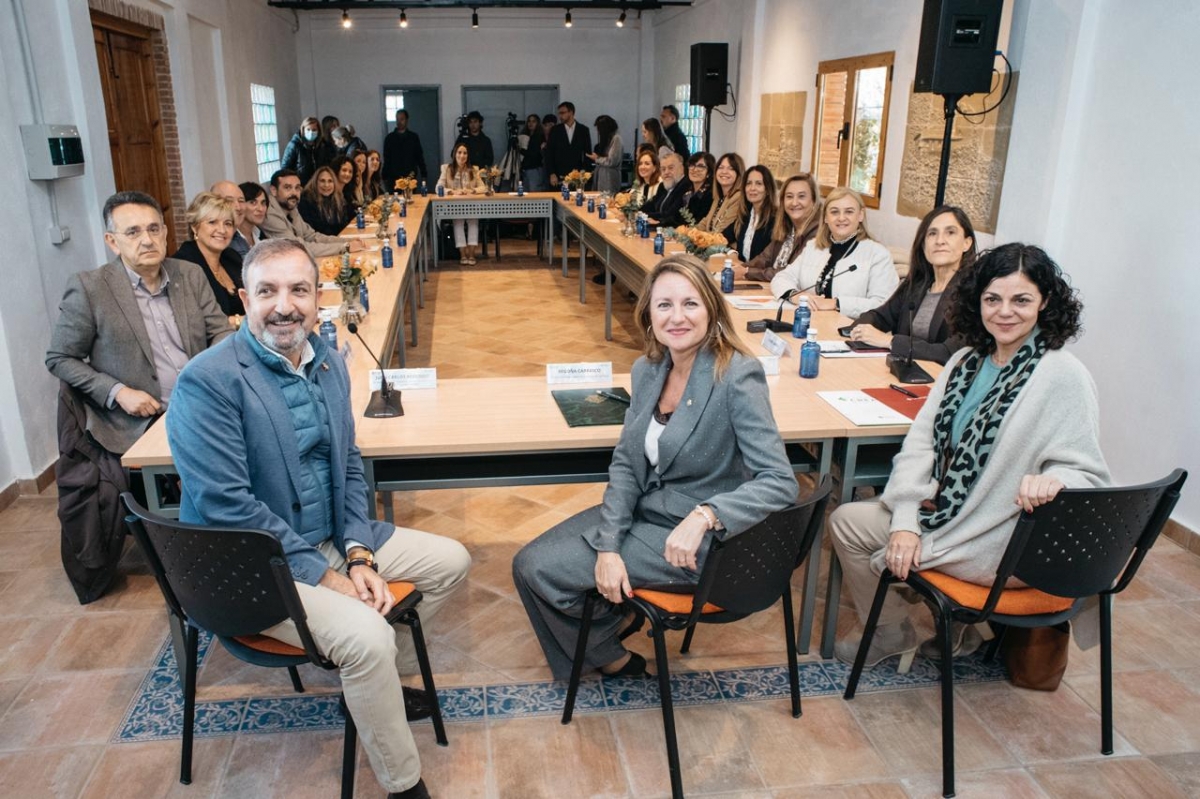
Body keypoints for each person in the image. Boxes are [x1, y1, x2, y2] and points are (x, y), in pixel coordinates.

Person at [167, 238, 470, 799]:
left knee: (451, 561)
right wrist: (330, 577)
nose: (285, 305)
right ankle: (404, 784)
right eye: (268, 291)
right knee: (368, 635)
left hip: (328, 536)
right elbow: (227, 507)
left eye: (299, 290)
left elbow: (349, 465)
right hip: (252, 563)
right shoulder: (207, 381)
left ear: (318, 297)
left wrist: (357, 552)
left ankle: (374, 688)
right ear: (243, 299)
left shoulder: (327, 360)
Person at [512, 254, 799, 679]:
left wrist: (707, 515)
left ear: (711, 310)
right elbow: (628, 463)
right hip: (653, 512)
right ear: (648, 312)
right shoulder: (647, 369)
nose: (677, 317)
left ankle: (609, 652)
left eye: (690, 304)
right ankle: (614, 626)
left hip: (700, 543)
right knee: (527, 562)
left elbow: (780, 482)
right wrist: (609, 546)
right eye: (664, 305)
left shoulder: (737, 375)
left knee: (541, 570)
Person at [829, 243, 1110, 668]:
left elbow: (1087, 473)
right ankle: (899, 630)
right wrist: (905, 520)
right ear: (977, 300)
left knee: (885, 552)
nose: (1005, 312)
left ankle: (952, 623)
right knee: (847, 521)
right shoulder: (964, 361)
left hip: (1001, 539)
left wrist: (1056, 480)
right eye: (992, 299)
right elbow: (920, 444)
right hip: (950, 516)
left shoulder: (1062, 374)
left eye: (1021, 300)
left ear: (1045, 303)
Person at [45, 191, 231, 602]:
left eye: (152, 229)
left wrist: (214, 377)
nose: (146, 240)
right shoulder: (90, 288)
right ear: (112, 241)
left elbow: (221, 331)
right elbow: (59, 357)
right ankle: (204, 568)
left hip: (201, 402)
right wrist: (117, 392)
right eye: (132, 232)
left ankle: (248, 544)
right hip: (138, 417)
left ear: (165, 232)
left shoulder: (188, 275)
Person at [850, 206, 978, 365]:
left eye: (950, 232)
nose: (939, 241)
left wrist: (889, 341)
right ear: (924, 245)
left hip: (941, 381)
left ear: (967, 243)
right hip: (901, 373)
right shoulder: (917, 284)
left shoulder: (973, 293)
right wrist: (859, 329)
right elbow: (880, 316)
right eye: (932, 234)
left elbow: (950, 353)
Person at [769, 187, 898, 319]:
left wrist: (836, 303)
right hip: (810, 323)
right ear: (825, 217)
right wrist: (796, 296)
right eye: (834, 212)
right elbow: (781, 278)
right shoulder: (813, 247)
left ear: (860, 215)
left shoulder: (878, 254)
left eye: (849, 212)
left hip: (851, 331)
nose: (841, 218)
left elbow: (884, 305)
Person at [173, 192, 245, 323]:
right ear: (195, 227)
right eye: (212, 222)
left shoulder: (232, 258)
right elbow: (193, 321)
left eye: (228, 224)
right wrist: (240, 322)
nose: (222, 230)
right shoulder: (182, 265)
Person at [735, 173, 821, 283]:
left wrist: (747, 272)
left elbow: (790, 272)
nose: (794, 203)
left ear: (813, 201)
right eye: (789, 196)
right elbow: (763, 259)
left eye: (801, 196)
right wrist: (739, 268)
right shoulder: (786, 227)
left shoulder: (817, 233)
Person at [261, 168, 362, 258]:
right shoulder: (269, 213)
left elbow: (312, 236)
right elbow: (298, 248)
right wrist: (345, 247)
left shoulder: (291, 207)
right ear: (274, 191)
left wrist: (347, 241)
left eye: (297, 188)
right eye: (287, 188)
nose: (294, 193)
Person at [437, 142, 487, 265]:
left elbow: (484, 188)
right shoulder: (447, 169)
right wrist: (452, 192)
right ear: (455, 154)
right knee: (458, 222)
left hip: (471, 205)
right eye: (459, 152)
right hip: (454, 206)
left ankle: (471, 255)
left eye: (465, 153)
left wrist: (472, 190)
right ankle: (463, 255)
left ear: (468, 155)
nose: (462, 155)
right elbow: (438, 187)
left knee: (473, 221)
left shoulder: (474, 169)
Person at [722, 164, 777, 263]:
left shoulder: (776, 219)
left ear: (768, 189)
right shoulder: (745, 216)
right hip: (742, 274)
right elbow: (721, 238)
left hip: (761, 276)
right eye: (748, 183)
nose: (752, 188)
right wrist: (733, 253)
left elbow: (769, 260)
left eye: (759, 184)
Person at [546, 102, 592, 187]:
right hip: (559, 173)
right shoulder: (555, 130)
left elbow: (587, 153)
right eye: (559, 113)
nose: (560, 116)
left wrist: (584, 173)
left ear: (571, 112)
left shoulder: (583, 130)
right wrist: (551, 173)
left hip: (577, 173)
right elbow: (549, 153)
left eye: (562, 113)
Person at [298, 166, 353, 237]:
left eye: (330, 181)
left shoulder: (337, 199)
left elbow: (343, 224)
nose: (326, 185)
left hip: (337, 240)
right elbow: (314, 232)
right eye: (322, 181)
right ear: (315, 182)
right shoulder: (306, 202)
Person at [698, 153, 745, 234]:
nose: (724, 172)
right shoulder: (719, 197)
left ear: (738, 173)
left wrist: (699, 237)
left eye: (731, 168)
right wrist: (690, 233)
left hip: (725, 245)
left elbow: (722, 230)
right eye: (721, 167)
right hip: (711, 243)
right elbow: (706, 221)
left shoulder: (738, 197)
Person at [281, 116, 333, 186]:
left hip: (319, 185)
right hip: (301, 186)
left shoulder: (323, 145)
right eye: (308, 129)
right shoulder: (294, 145)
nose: (311, 132)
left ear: (318, 131)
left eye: (314, 130)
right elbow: (285, 168)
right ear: (303, 130)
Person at [382, 110, 428, 188]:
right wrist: (384, 176)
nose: (399, 122)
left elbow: (419, 157)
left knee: (410, 198)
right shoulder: (389, 138)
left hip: (410, 177)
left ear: (406, 120)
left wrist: (424, 174)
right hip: (393, 178)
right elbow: (387, 158)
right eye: (397, 119)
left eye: (402, 119)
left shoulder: (413, 137)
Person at [644, 152, 687, 225]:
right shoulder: (663, 186)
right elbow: (650, 205)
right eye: (663, 169)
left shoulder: (685, 186)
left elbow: (671, 214)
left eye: (670, 168)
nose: (666, 172)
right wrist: (634, 212)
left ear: (682, 168)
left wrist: (643, 216)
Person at [210, 180, 250, 257]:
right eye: (229, 201)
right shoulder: (214, 240)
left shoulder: (240, 239)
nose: (238, 207)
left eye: (241, 201)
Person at [587, 115, 623, 194]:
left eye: (599, 130)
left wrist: (597, 158)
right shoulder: (608, 139)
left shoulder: (616, 139)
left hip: (609, 180)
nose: (598, 133)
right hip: (602, 178)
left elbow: (612, 161)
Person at [237, 181, 270, 250]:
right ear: (240, 205)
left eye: (263, 203)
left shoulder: (261, 235)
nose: (260, 209)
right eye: (253, 202)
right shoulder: (230, 239)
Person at [519, 113, 547, 191]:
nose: (530, 123)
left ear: (537, 123)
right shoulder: (524, 136)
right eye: (529, 121)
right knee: (525, 192)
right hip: (525, 168)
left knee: (534, 191)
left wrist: (521, 150)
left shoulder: (539, 136)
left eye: (533, 121)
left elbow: (533, 153)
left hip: (535, 168)